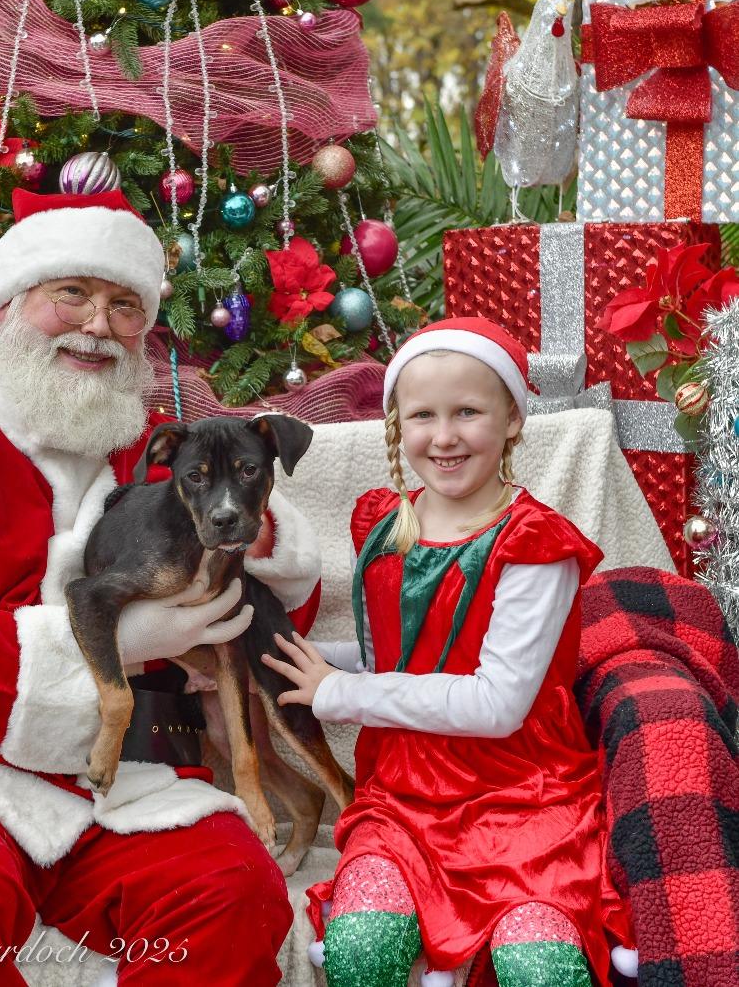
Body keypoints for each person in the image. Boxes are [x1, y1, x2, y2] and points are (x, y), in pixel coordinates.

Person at [0, 188, 322, 985]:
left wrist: (263, 535)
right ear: (14, 303)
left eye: (125, 306)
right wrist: (115, 646)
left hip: (126, 775)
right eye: (72, 295)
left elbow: (268, 611)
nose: (97, 326)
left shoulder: (157, 453)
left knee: (231, 892)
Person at [262, 317, 636, 987]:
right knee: (361, 952)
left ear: (513, 420)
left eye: (468, 412)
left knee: (541, 971)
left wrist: (341, 693)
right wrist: (302, 662)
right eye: (423, 416)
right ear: (397, 426)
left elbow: (495, 703)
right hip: (404, 801)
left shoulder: (533, 545)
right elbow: (404, 652)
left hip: (523, 801)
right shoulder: (385, 523)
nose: (444, 437)